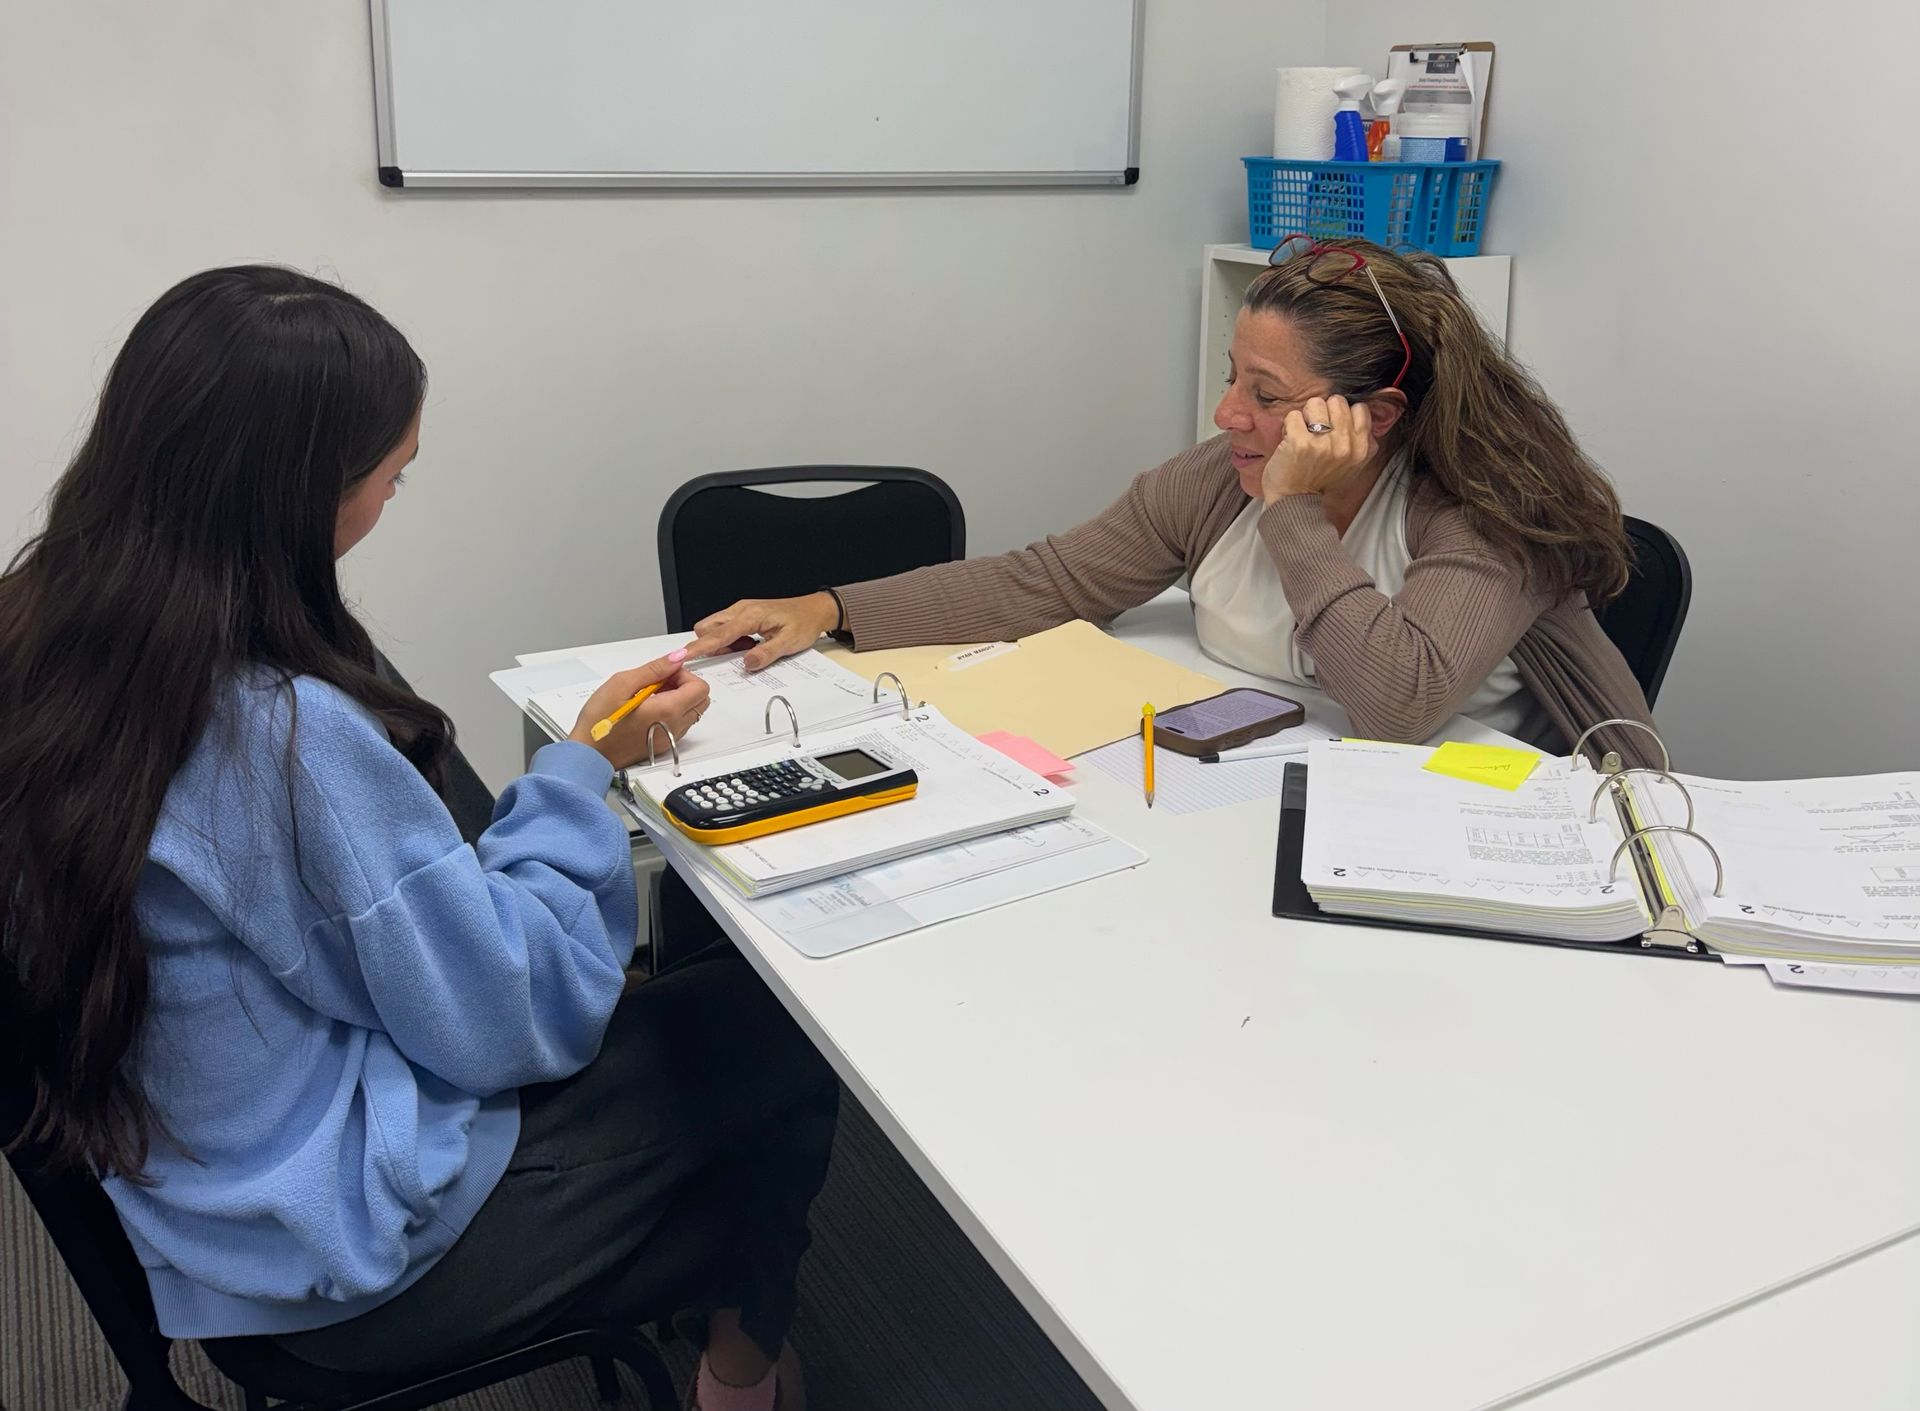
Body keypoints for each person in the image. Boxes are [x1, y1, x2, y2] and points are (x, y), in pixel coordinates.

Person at [0, 267, 834, 1411]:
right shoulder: (274, 735)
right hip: (337, 1267)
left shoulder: (51, 629)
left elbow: (373, 928)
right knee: (778, 1041)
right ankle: (740, 1373)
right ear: (299, 495)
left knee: (699, 1012)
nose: (395, 498)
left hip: (199, 1195)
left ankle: (723, 1293)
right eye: (392, 477)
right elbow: (509, 1017)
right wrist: (584, 766)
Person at [688, 237, 1659, 768]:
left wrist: (1292, 512)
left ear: (1379, 414)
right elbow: (1054, 581)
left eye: (1266, 397)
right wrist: (831, 609)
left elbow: (1400, 702)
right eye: (1236, 376)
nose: (1227, 412)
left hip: (1490, 834)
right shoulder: (1216, 480)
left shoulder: (1491, 515)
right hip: (1281, 789)